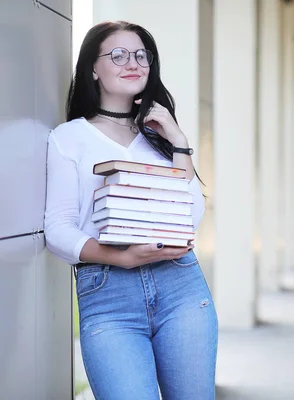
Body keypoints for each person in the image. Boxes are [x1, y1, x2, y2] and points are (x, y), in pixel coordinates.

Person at [44, 21, 218, 399]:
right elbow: (58, 229)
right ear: (93, 67)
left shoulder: (160, 137)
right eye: (117, 55)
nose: (132, 62)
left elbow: (188, 217)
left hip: (181, 288)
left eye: (141, 55)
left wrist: (179, 141)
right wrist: (120, 259)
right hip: (109, 293)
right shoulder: (69, 138)